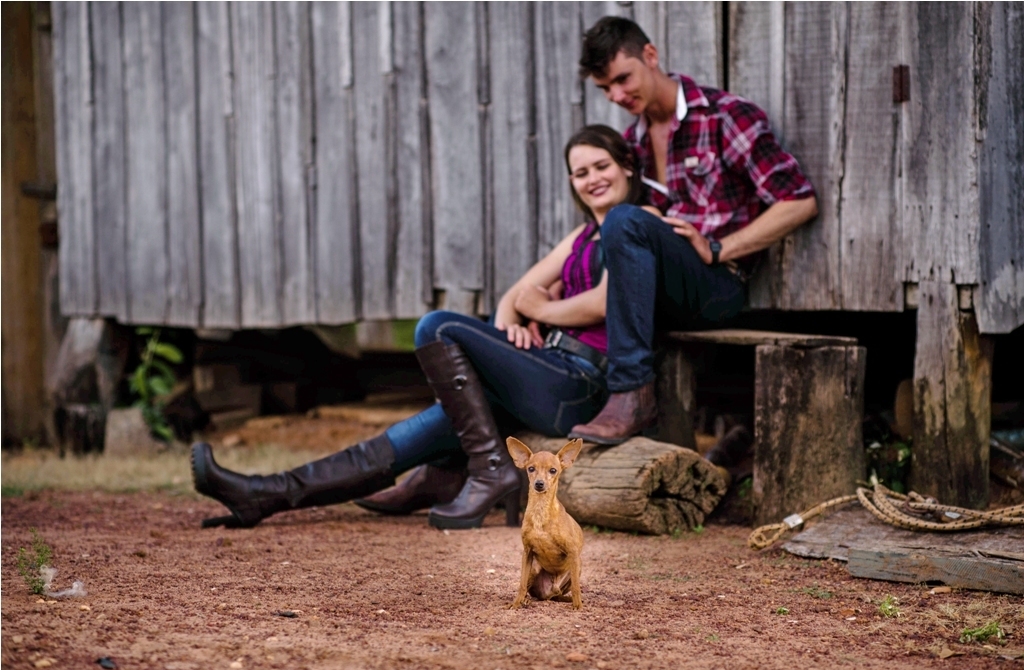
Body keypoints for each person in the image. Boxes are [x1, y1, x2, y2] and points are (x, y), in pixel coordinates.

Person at [191, 125, 648, 530]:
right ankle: (265, 494)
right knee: (419, 430)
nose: (592, 179)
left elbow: (604, 301)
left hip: (582, 382)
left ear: (627, 165)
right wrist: (512, 325)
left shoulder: (637, 228)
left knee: (438, 327)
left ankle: (487, 469)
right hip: (545, 366)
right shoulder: (583, 234)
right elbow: (515, 294)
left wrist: (544, 310)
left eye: (601, 166)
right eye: (580, 172)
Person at [567, 17, 819, 446]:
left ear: (651, 55)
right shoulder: (634, 143)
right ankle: (590, 394)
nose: (617, 96)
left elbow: (799, 201)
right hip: (662, 288)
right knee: (622, 225)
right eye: (605, 89)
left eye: (623, 79)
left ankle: (630, 392)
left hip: (719, 284)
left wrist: (719, 248)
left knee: (623, 219)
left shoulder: (725, 117)